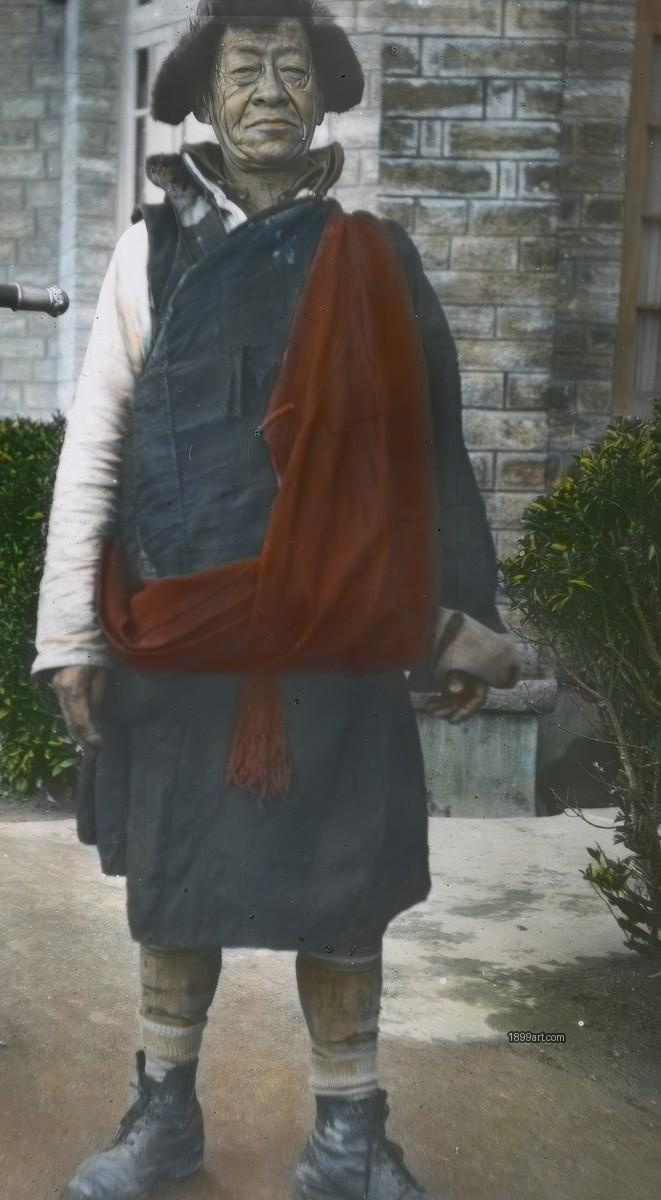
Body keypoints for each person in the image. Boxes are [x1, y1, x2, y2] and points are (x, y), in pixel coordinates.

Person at [33, 3, 519, 1198]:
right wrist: (69, 633)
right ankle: (164, 1120)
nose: (267, 89)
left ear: (322, 98)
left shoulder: (376, 261)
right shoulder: (150, 252)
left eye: (291, 69)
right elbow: (94, 440)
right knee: (177, 889)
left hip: (340, 641)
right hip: (185, 634)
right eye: (243, 68)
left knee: (344, 892)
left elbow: (429, 455)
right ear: (201, 97)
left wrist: (460, 619)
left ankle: (348, 1137)